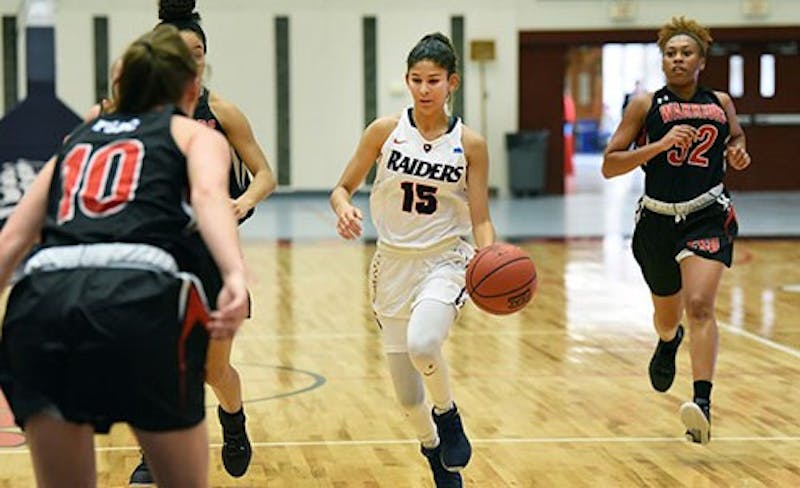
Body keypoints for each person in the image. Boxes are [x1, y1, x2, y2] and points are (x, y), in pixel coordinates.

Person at [0, 25, 249, 487]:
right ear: (192, 88)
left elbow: (13, 238)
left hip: (41, 303)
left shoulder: (76, 138)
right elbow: (211, 194)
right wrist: (234, 272)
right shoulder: (193, 134)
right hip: (137, 296)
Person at [330, 33, 496, 487]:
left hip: (445, 259)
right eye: (417, 80)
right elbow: (341, 187)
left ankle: (449, 416)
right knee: (406, 397)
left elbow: (479, 217)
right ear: (407, 80)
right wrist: (344, 208)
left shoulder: (471, 144)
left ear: (452, 83)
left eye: (435, 81)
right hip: (392, 266)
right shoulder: (384, 132)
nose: (425, 90)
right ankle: (431, 448)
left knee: (425, 344)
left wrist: (489, 258)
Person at [126, 1, 277, 483]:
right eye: (179, 50)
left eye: (197, 51)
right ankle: (153, 453)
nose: (189, 59)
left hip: (212, 259)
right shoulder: (139, 114)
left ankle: (233, 421)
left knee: (213, 371)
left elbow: (265, 175)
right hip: (156, 257)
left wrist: (241, 202)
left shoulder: (221, 112)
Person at [602, 16, 751, 445]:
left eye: (686, 53)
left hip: (706, 213)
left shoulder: (720, 102)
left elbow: (735, 138)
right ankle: (669, 341)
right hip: (656, 220)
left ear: (701, 60)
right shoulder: (645, 105)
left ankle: (701, 403)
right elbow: (611, 164)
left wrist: (737, 152)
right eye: (671, 53)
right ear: (662, 60)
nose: (678, 59)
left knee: (701, 304)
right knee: (668, 316)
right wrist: (660, 145)